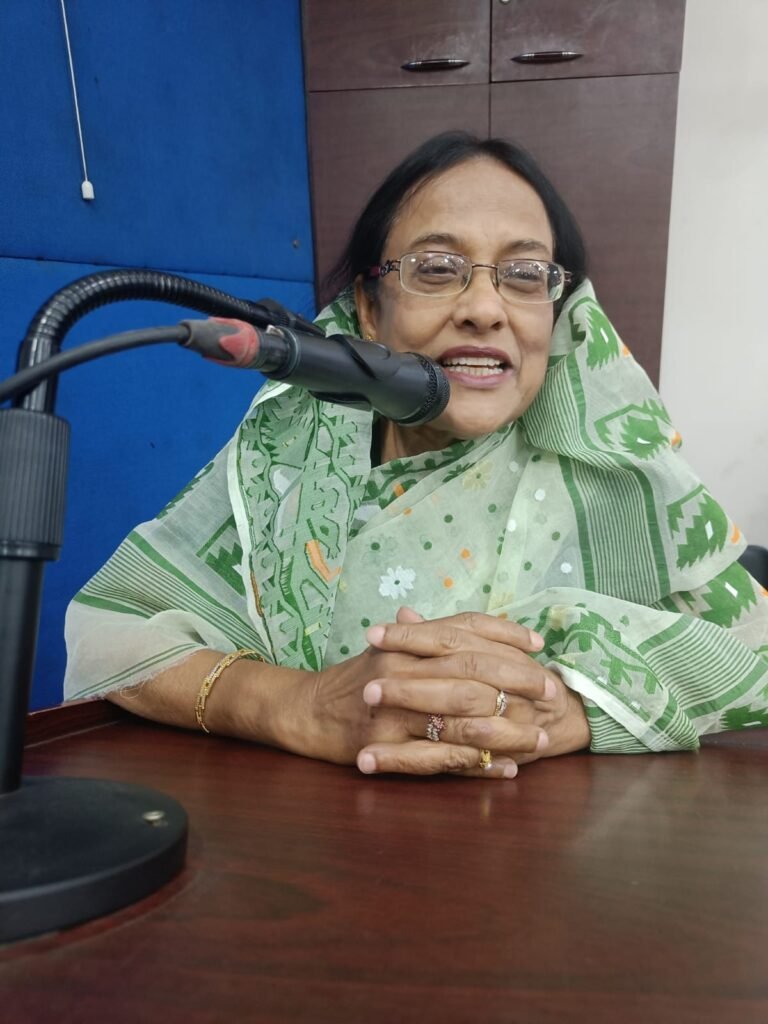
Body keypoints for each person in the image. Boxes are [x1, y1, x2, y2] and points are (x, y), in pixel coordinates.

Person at [63, 131, 768, 778]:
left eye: (525, 274)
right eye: (437, 268)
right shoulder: (287, 460)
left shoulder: (617, 480)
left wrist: (581, 711)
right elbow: (114, 630)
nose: (485, 309)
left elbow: (753, 653)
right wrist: (295, 705)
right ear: (370, 308)